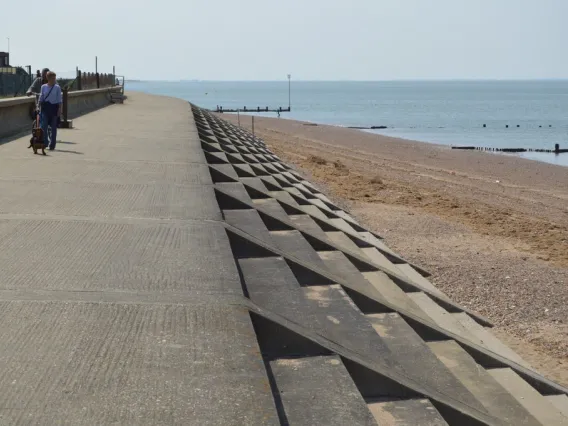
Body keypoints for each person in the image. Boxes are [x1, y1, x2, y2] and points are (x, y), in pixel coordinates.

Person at [38, 71, 62, 150]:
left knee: (53, 127)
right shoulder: (43, 87)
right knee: (44, 126)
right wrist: (38, 106)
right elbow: (41, 97)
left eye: (55, 78)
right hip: (45, 108)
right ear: (48, 78)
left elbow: (59, 99)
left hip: (54, 108)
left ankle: (52, 144)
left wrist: (59, 109)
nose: (54, 79)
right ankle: (45, 142)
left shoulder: (57, 87)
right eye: (52, 78)